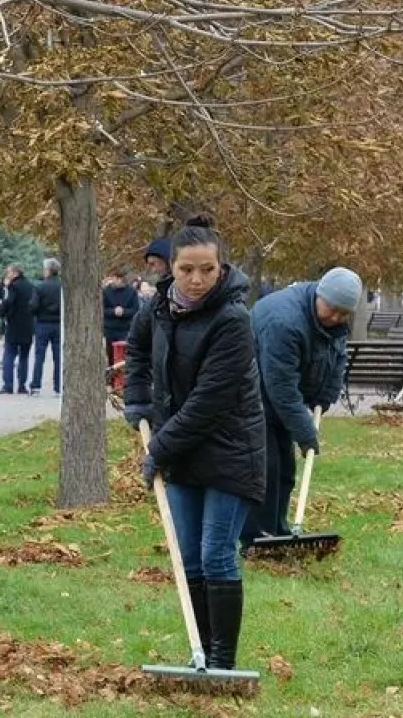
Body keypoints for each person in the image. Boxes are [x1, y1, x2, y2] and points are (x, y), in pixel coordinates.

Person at [122, 216, 266, 672]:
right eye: (187, 269)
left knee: (216, 553)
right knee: (188, 555)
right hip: (180, 448)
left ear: (220, 267)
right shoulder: (160, 306)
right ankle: (201, 653)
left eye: (207, 268)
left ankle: (223, 661)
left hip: (229, 450)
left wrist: (158, 450)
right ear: (172, 268)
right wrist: (138, 399)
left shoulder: (233, 319)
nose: (197, 279)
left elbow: (209, 403)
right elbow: (137, 348)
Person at [241, 266, 361, 546]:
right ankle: (255, 536)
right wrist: (305, 432)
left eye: (344, 313)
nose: (336, 318)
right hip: (249, 392)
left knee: (284, 466)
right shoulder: (284, 321)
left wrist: (325, 396)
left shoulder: (335, 322)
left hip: (279, 394)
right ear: (320, 295)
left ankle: (278, 529)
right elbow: (280, 387)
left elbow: (337, 358)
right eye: (332, 309)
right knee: (264, 466)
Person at [0, 263, 35, 395]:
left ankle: (8, 385)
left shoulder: (13, 286)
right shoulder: (30, 286)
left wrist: (3, 312)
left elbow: (9, 302)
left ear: (15, 273)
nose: (7, 275)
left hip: (14, 325)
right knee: (24, 356)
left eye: (9, 272)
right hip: (28, 325)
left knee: (9, 355)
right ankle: (22, 385)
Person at [29, 258, 63, 396]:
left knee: (39, 356)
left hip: (43, 323)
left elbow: (33, 305)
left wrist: (36, 312)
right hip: (58, 324)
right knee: (58, 357)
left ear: (48, 270)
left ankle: (36, 386)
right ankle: (58, 386)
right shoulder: (62, 287)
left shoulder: (40, 287)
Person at [102, 266, 140, 367]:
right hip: (110, 328)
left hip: (126, 328)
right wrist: (113, 311)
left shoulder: (131, 292)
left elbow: (135, 309)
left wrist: (124, 312)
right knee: (111, 355)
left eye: (121, 279)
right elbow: (102, 309)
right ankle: (112, 376)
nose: (118, 281)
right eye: (116, 278)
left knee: (124, 355)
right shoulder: (106, 291)